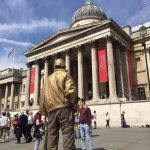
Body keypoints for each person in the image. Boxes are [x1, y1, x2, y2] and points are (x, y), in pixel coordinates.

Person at [40, 58, 78, 150]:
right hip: (64, 108)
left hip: (50, 110)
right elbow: (71, 92)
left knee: (52, 134)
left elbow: (42, 97)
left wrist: (43, 112)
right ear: (64, 66)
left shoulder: (48, 79)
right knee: (67, 133)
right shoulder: (65, 75)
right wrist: (75, 106)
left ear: (54, 67)